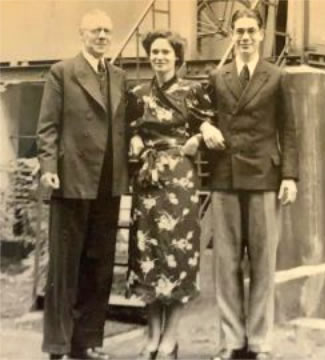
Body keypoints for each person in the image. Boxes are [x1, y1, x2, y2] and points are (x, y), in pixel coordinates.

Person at [200, 9, 299, 360]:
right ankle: (231, 342)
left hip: (263, 178)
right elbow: (202, 115)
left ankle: (259, 342)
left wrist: (289, 175)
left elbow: (288, 129)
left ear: (260, 35)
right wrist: (204, 128)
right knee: (225, 264)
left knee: (262, 263)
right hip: (225, 176)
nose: (244, 37)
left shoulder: (276, 76)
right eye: (238, 31)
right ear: (232, 35)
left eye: (250, 31)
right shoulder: (217, 75)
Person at [36, 9, 128, 360]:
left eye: (107, 30)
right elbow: (47, 126)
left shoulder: (118, 75)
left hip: (109, 181)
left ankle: (86, 343)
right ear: (82, 35)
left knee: (99, 265)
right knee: (64, 268)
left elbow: (125, 124)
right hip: (71, 179)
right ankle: (57, 346)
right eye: (95, 31)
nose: (102, 36)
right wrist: (48, 166)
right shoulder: (62, 72)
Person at [125, 30, 214, 360]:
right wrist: (133, 139)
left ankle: (171, 338)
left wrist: (199, 139)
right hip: (147, 180)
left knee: (176, 254)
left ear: (177, 57)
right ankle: (151, 335)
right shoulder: (138, 93)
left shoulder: (193, 91)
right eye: (154, 52)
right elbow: (130, 127)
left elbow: (209, 125)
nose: (159, 57)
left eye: (165, 52)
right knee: (148, 254)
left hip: (179, 179)